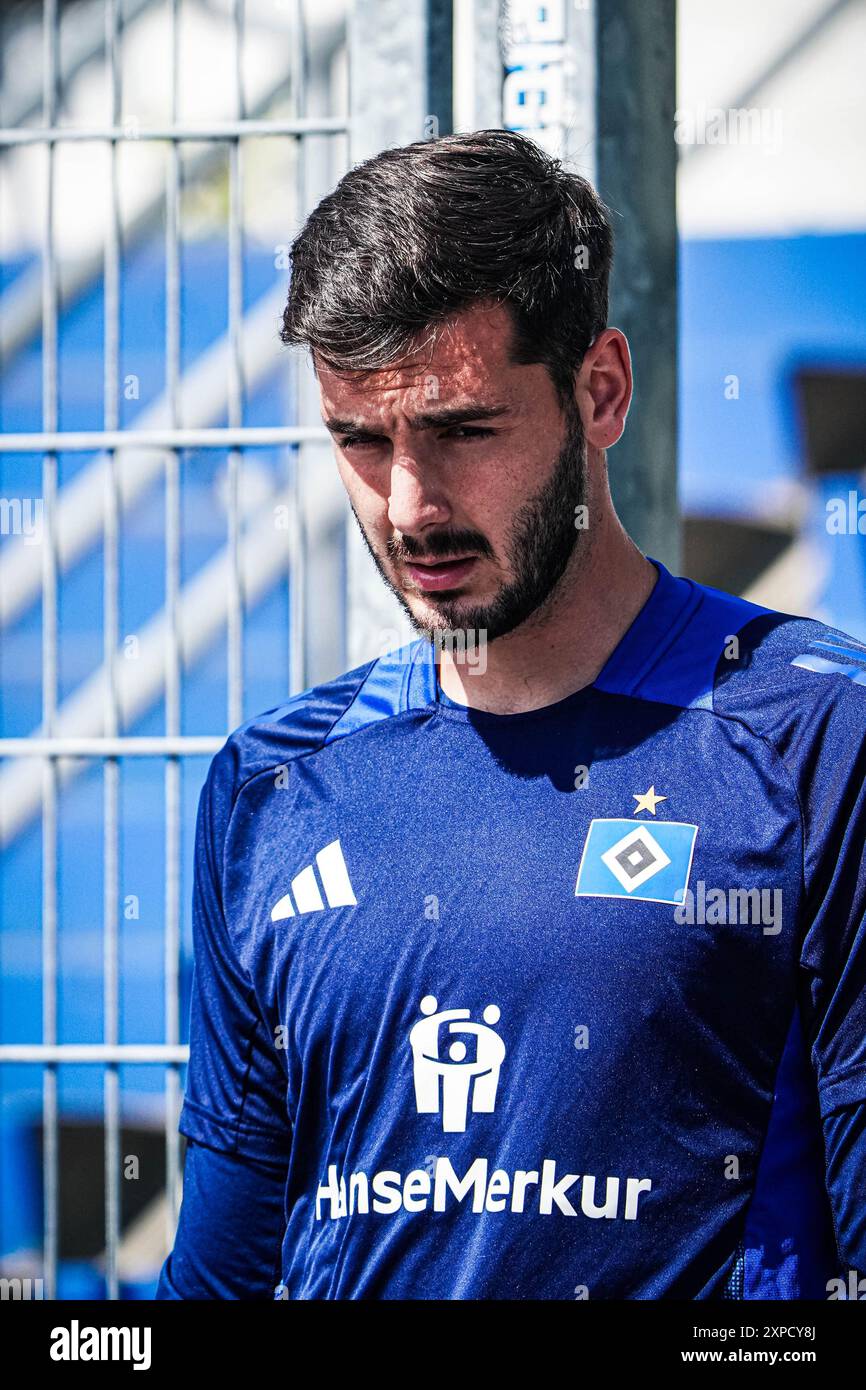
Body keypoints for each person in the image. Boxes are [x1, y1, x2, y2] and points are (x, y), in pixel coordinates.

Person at [157, 130, 866, 1300]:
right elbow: (224, 1275)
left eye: (459, 432)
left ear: (599, 391)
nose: (408, 505)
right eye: (360, 440)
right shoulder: (270, 785)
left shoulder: (814, 741)